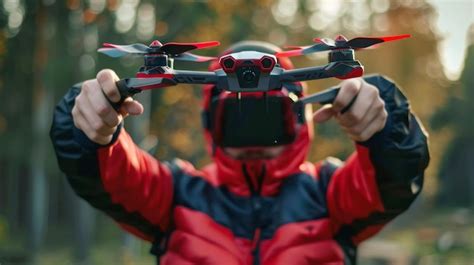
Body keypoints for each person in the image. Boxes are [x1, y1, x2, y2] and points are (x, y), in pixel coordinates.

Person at [50, 41, 429, 264]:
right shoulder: (176, 195)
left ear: (300, 117)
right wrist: (92, 129)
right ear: (210, 121)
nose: (252, 135)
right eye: (236, 114)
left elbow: (393, 181)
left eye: (270, 112)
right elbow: (113, 174)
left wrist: (383, 128)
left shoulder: (330, 194)